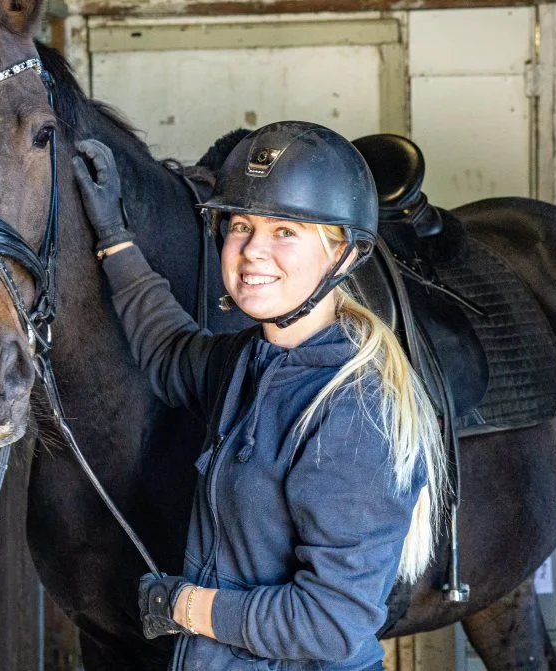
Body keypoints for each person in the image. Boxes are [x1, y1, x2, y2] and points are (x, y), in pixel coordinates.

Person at [73, 121, 447, 670]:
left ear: (342, 253)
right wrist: (114, 240)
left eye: (285, 231)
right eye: (241, 225)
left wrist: (183, 606)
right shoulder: (249, 359)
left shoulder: (354, 405)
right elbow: (169, 349)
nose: (252, 251)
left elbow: (330, 625)